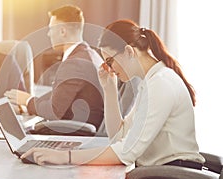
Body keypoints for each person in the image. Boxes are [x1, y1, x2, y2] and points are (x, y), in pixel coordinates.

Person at [20, 19, 205, 169]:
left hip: (170, 177)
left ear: (128, 51)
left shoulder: (160, 84)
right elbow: (119, 137)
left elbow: (126, 152)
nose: (108, 67)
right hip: (161, 172)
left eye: (109, 60)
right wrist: (109, 89)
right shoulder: (150, 83)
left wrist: (66, 157)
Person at [4, 5, 104, 129]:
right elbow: (59, 95)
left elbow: (54, 112)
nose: (48, 34)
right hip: (82, 127)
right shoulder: (90, 55)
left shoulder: (75, 63)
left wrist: (28, 100)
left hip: (78, 133)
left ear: (63, 31)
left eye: (51, 29)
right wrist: (27, 103)